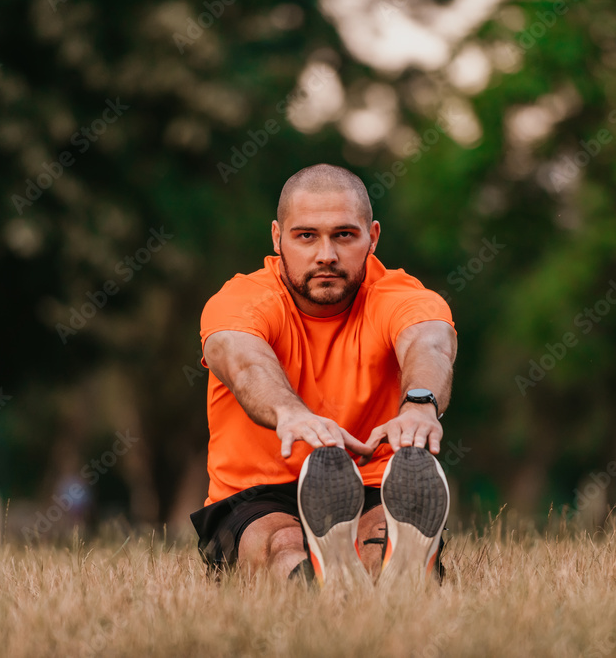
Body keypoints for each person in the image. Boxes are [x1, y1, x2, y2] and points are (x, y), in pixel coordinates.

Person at [190, 163, 457, 587]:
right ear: (278, 237)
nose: (326, 254)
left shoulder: (399, 295)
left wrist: (420, 404)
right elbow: (244, 360)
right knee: (282, 543)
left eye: (344, 235)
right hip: (259, 493)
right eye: (306, 236)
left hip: (372, 479)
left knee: (377, 537)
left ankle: (390, 567)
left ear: (373, 237)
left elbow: (430, 343)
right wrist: (288, 413)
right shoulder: (242, 300)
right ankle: (321, 584)